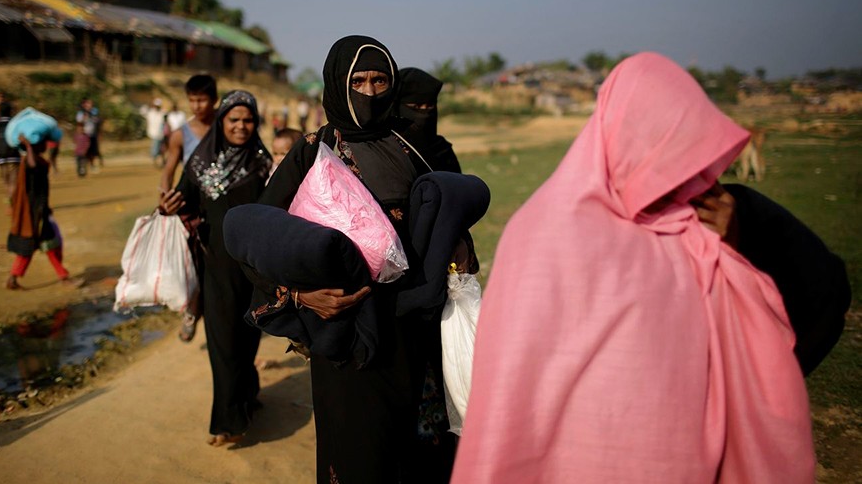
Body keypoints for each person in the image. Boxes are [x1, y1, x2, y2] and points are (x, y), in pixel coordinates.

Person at [452, 53, 829, 483]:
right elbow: (514, 385)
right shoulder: (545, 237)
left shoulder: (706, 232)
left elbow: (819, 297)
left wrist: (741, 239)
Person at [257, 35, 458, 483]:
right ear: (337, 84)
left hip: (411, 326)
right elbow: (261, 233)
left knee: (415, 447)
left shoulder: (412, 148)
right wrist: (301, 296)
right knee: (356, 451)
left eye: (379, 80)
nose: (369, 92)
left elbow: (444, 215)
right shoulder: (313, 150)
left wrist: (458, 242)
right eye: (359, 81)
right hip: (344, 328)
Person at [159, 90, 272, 447]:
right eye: (234, 119)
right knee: (223, 343)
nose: (241, 126)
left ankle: (248, 392)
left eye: (248, 120)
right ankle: (228, 421)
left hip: (254, 269)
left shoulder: (262, 163)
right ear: (222, 121)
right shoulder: (198, 162)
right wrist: (168, 207)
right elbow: (183, 202)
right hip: (215, 268)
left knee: (248, 338)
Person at [159, 74, 218, 343]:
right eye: (192, 100)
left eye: (202, 99)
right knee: (194, 263)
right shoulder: (180, 135)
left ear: (214, 100)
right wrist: (165, 196)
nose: (197, 106)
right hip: (193, 208)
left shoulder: (227, 125)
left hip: (222, 205)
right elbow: (169, 169)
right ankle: (192, 312)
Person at [6, 133, 82, 290]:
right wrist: (28, 146)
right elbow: (32, 166)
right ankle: (64, 278)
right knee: (48, 246)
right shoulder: (29, 162)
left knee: (37, 247)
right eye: (41, 143)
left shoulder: (39, 161)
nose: (45, 146)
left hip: (39, 211)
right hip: (33, 214)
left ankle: (12, 279)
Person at [396, 67, 462, 173]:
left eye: (430, 106)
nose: (425, 114)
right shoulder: (389, 151)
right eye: (417, 106)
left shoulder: (442, 150)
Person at [76, 98, 102, 171]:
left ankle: (92, 165)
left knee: (93, 151)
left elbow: (98, 122)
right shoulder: (81, 113)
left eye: (90, 103)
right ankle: (82, 166)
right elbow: (79, 124)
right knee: (83, 151)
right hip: (84, 135)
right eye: (87, 103)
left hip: (93, 134)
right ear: (83, 104)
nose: (89, 105)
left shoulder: (94, 112)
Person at [143, 98, 166, 167]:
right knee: (156, 147)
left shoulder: (162, 113)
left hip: (162, 134)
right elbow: (142, 110)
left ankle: (160, 160)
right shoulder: (150, 113)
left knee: (162, 148)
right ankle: (155, 159)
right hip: (154, 133)